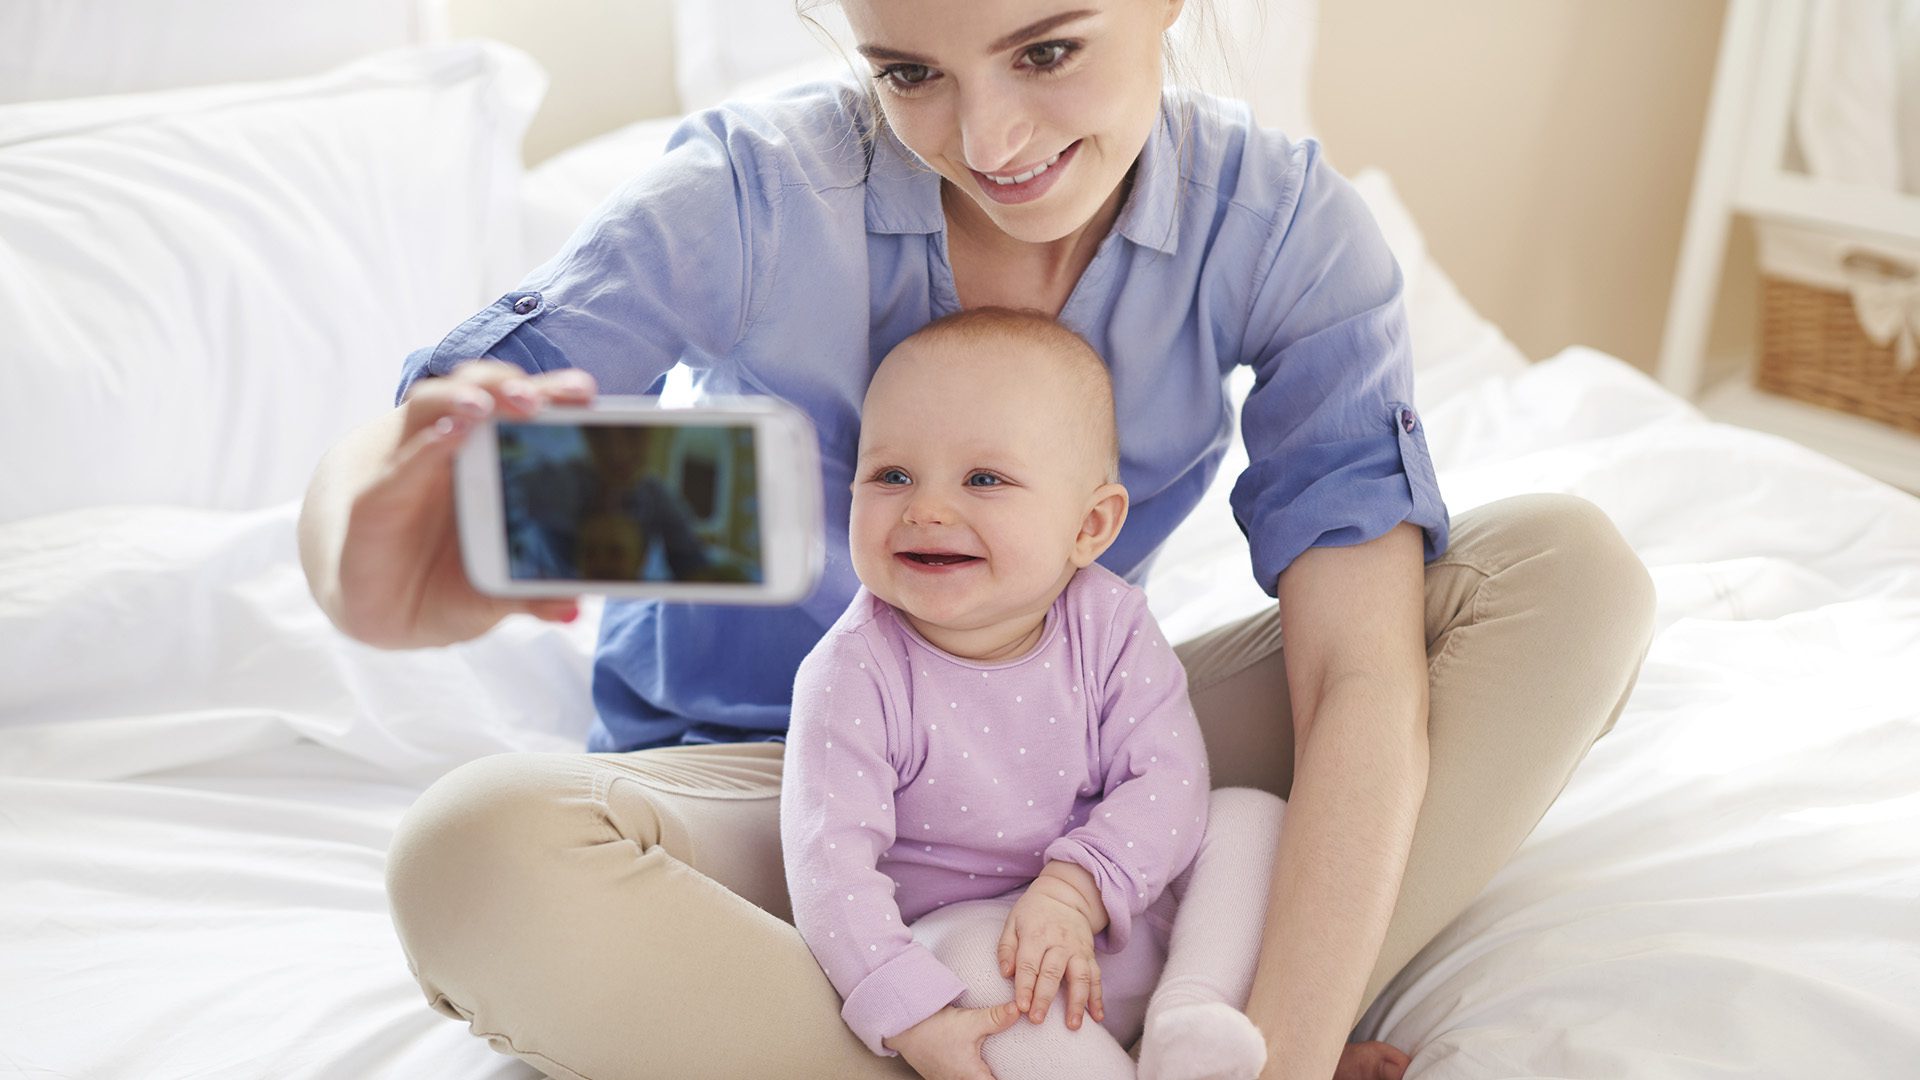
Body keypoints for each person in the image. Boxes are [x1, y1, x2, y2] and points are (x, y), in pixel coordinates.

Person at [296, 1, 1658, 1076]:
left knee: (1564, 578)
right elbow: (434, 451)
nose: (990, 136)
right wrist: (369, 536)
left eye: (1047, 49)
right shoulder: (755, 198)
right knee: (475, 858)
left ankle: (1196, 1054)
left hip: (1062, 776)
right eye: (909, 73)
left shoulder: (1282, 233)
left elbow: (1354, 675)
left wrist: (1287, 1057)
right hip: (762, 810)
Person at [783, 307, 1411, 1080]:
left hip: (1125, 914)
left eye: (983, 479)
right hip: (1007, 973)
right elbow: (828, 870)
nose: (926, 508)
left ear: (1090, 525)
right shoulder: (854, 672)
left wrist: (1078, 890)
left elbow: (1168, 778)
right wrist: (914, 1020)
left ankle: (1194, 1018)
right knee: (967, 951)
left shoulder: (1109, 623)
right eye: (891, 475)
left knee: (1251, 816)